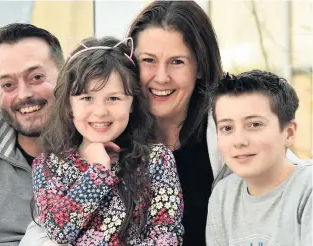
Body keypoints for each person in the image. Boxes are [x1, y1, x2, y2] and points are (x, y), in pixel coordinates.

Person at [127, 1, 304, 245]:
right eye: (148, 60)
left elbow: (288, 176)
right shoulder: (112, 135)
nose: (161, 77)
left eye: (177, 61)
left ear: (200, 66)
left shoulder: (226, 129)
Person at [32, 36, 184, 245]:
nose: (101, 112)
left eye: (113, 98)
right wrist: (98, 173)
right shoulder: (48, 165)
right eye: (87, 98)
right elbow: (58, 230)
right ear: (69, 105)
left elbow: (166, 235)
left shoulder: (156, 159)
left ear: (132, 103)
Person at [0, 23, 64, 245]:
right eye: (8, 84)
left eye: (36, 77)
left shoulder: (101, 145)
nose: (24, 95)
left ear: (64, 75)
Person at [206, 70, 312, 245]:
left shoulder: (306, 189)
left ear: (289, 133)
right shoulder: (223, 195)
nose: (239, 141)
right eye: (227, 128)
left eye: (255, 124)